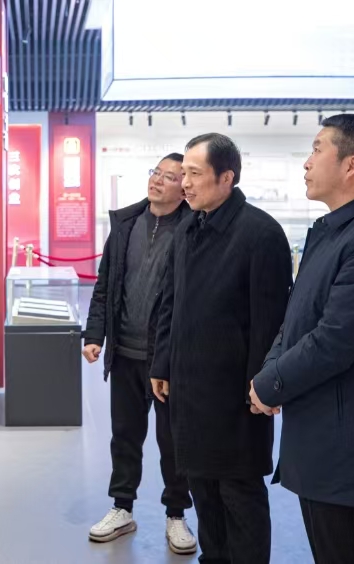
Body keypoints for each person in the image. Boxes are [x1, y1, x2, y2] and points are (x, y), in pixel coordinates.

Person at [250, 114, 354, 564]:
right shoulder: (332, 231)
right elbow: (297, 317)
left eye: (316, 149)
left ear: (350, 165)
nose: (307, 163)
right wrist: (270, 373)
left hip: (351, 447)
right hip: (321, 436)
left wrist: (270, 384)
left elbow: (336, 338)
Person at [149, 133, 292, 564]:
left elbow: (269, 324)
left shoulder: (260, 233)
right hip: (189, 390)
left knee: (239, 496)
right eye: (183, 174)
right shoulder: (188, 226)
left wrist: (262, 388)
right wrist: (163, 362)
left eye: (194, 174)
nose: (184, 183)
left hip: (237, 398)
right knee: (203, 492)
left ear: (226, 177)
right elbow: (171, 302)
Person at [83, 153, 196, 554]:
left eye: (169, 177)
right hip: (125, 355)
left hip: (167, 358)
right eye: (156, 172)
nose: (158, 181)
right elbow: (105, 285)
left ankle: (176, 514)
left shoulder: (192, 229)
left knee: (173, 440)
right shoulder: (126, 224)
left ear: (184, 189)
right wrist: (94, 333)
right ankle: (122, 507)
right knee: (125, 436)